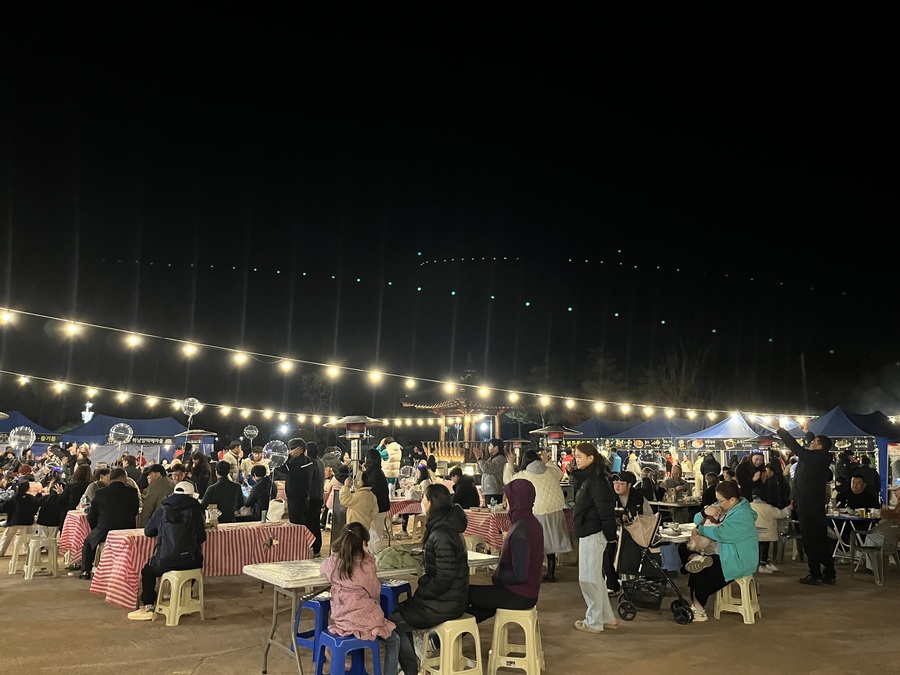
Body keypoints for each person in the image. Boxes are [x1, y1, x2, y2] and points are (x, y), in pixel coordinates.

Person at [389, 483, 468, 675]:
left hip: (446, 601)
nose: (422, 502)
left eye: (424, 499)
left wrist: (423, 589)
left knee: (394, 622)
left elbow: (444, 577)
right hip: (450, 597)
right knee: (401, 610)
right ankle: (422, 647)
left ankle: (410, 670)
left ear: (432, 503)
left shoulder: (441, 534)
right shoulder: (446, 526)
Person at [319, 521, 402, 675]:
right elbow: (375, 592)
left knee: (358, 631)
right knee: (393, 639)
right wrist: (369, 559)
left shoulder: (334, 561)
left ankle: (344, 654)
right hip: (364, 620)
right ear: (364, 543)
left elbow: (322, 567)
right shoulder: (366, 565)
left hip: (341, 619)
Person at [127, 480, 207, 620]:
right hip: (190, 561)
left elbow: (148, 532)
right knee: (199, 560)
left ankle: (148, 607)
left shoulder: (162, 510)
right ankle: (184, 598)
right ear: (191, 495)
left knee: (148, 572)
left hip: (165, 560)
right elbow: (201, 537)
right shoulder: (196, 511)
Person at [680, 479, 759, 622]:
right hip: (717, 552)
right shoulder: (721, 506)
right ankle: (696, 559)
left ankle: (698, 608)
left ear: (733, 500)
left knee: (703, 571)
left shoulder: (743, 515)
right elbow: (697, 519)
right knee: (683, 550)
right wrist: (704, 512)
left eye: (721, 500)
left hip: (736, 559)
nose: (718, 503)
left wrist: (701, 529)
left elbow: (722, 534)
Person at [466, 479, 543, 622]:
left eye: (508, 499)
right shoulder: (532, 523)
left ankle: (441, 635)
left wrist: (498, 575)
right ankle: (439, 640)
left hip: (518, 594)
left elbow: (520, 575)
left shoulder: (521, 530)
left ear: (516, 500)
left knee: (461, 594)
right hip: (528, 592)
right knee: (484, 606)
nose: (505, 503)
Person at [775, 420, 836, 585]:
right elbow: (807, 447)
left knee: (810, 539)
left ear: (820, 446)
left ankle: (815, 573)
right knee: (820, 538)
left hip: (808, 504)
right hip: (813, 503)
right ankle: (828, 572)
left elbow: (795, 447)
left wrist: (779, 429)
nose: (812, 442)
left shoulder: (814, 458)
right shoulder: (819, 458)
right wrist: (807, 431)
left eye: (815, 441)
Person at [569, 442, 618, 633]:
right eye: (576, 456)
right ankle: (606, 617)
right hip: (590, 532)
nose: (576, 459)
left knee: (589, 578)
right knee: (594, 577)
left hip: (593, 532)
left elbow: (605, 510)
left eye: (579, 456)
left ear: (591, 458)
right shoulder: (590, 479)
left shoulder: (596, 481)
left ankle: (594, 621)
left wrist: (610, 534)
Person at [503, 447, 570, 582]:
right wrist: (548, 462)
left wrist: (510, 464)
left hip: (537, 511)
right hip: (555, 509)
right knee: (550, 544)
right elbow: (559, 473)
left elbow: (508, 480)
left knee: (536, 544)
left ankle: (534, 574)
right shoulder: (550, 471)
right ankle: (551, 573)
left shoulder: (524, 474)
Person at [79, 468, 140, 580]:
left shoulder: (100, 493)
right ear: (123, 478)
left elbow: (92, 515)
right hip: (126, 530)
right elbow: (135, 511)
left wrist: (96, 527)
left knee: (88, 543)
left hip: (105, 528)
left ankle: (85, 571)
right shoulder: (132, 492)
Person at [606, 470, 652, 594]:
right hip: (614, 535)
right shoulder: (609, 498)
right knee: (608, 550)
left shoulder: (639, 498)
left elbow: (649, 517)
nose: (617, 485)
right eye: (615, 482)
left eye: (621, 482)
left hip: (635, 536)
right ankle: (612, 584)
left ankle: (635, 582)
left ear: (629, 485)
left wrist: (633, 519)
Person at [750, 487, 792, 574]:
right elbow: (781, 514)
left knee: (757, 549)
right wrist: (789, 508)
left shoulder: (750, 506)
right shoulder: (768, 508)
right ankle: (762, 566)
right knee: (765, 548)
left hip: (754, 532)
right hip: (766, 533)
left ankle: (765, 563)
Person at [0, 479, 42, 555]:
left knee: (7, 537)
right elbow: (36, 507)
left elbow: (4, 508)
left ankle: (1, 551)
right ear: (28, 488)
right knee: (27, 536)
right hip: (28, 521)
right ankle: (27, 551)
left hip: (15, 521)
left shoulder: (14, 498)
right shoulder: (32, 499)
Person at [364, 447, 391, 554]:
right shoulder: (378, 472)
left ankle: (376, 557)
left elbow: (373, 493)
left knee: (374, 534)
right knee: (374, 533)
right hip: (381, 507)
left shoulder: (374, 474)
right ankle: (374, 555)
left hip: (377, 508)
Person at [284, 438, 314, 526]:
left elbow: (280, 467)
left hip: (295, 498)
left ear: (296, 450)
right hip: (306, 495)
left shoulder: (294, 463)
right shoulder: (309, 461)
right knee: (304, 524)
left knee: (296, 525)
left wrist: (289, 456)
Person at [305, 442, 326, 556]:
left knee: (309, 524)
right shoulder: (321, 462)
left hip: (310, 497)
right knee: (316, 524)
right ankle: (317, 548)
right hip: (319, 497)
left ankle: (311, 547)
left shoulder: (309, 463)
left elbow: (309, 481)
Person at [473, 438, 506, 506]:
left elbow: (488, 469)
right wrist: (479, 459)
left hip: (495, 491)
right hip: (488, 491)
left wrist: (479, 458)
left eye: (490, 445)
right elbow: (481, 471)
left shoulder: (500, 459)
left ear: (496, 448)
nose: (488, 447)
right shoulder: (491, 458)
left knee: (494, 510)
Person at [140, 463, 174, 528]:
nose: (147, 477)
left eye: (150, 474)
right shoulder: (172, 483)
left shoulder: (154, 486)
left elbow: (148, 508)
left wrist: (144, 527)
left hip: (159, 524)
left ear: (158, 474)